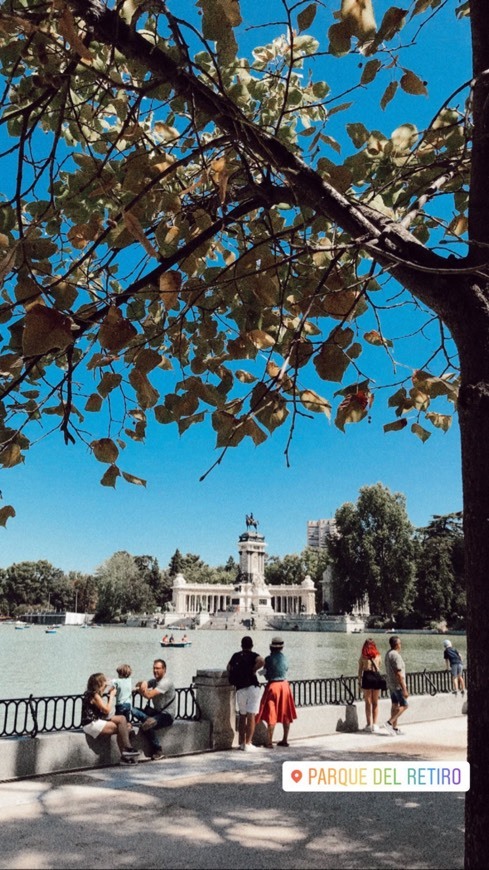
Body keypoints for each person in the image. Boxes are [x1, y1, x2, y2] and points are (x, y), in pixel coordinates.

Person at [81, 672, 139, 762]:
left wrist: (110, 685)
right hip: (91, 724)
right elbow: (107, 710)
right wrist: (111, 696)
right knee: (123, 728)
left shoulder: (92, 694)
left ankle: (126, 752)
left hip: (98, 720)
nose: (105, 686)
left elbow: (104, 713)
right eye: (104, 683)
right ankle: (127, 750)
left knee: (122, 719)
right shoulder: (94, 695)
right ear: (99, 684)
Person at [255, 636, 297, 748]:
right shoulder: (285, 658)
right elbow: (286, 669)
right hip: (285, 686)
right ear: (282, 647)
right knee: (285, 713)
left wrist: (258, 673)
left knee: (271, 714)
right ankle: (284, 739)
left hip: (273, 686)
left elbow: (265, 673)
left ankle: (269, 742)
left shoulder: (268, 659)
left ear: (271, 647)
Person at [227, 635, 264, 752]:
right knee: (251, 715)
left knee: (242, 715)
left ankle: (242, 742)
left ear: (241, 645)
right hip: (252, 687)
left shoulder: (236, 656)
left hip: (240, 688)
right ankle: (248, 743)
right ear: (251, 646)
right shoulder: (253, 655)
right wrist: (253, 670)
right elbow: (262, 661)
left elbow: (228, 667)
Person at [135, 659, 176, 760]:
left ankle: (158, 750)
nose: (155, 671)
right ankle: (147, 719)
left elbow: (149, 695)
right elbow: (140, 684)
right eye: (154, 668)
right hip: (156, 712)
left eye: (157, 668)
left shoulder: (166, 682)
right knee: (132, 710)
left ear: (164, 669)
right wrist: (143, 683)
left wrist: (141, 691)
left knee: (148, 724)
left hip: (167, 716)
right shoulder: (154, 681)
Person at [384, 635, 409, 735]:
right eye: (400, 643)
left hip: (391, 684)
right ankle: (389, 723)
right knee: (405, 705)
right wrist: (404, 688)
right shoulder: (396, 656)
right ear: (397, 644)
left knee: (395, 705)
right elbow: (398, 673)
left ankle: (394, 728)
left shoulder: (388, 654)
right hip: (397, 685)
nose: (401, 645)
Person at [358, 638, 382, 733]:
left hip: (367, 677)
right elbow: (379, 666)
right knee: (375, 702)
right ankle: (375, 724)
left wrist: (359, 680)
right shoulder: (378, 655)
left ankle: (369, 724)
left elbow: (360, 669)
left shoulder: (363, 656)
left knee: (368, 702)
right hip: (376, 677)